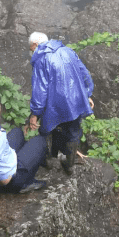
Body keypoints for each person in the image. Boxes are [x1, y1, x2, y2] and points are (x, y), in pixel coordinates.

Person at [26, 32, 94, 174]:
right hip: (74, 100)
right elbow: (84, 73)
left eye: (31, 49)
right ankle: (68, 165)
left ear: (35, 45)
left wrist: (35, 113)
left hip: (54, 104)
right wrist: (86, 94)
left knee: (46, 130)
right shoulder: (68, 50)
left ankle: (49, 162)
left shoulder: (41, 59)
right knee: (73, 130)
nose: (31, 51)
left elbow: (40, 90)